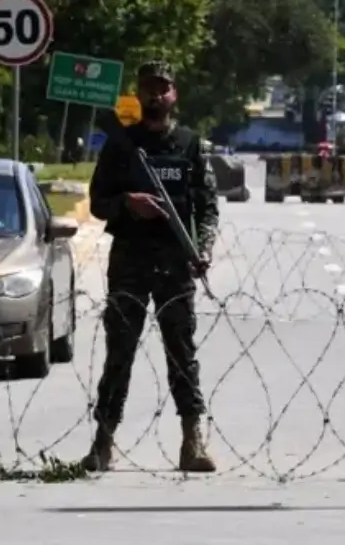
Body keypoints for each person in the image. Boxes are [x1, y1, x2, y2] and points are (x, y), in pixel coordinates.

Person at [81, 61, 221, 473]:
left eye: (163, 88)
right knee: (119, 354)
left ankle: (192, 441)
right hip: (130, 260)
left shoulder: (190, 145)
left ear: (174, 94)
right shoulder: (120, 145)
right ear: (139, 94)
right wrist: (128, 202)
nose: (156, 95)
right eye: (149, 88)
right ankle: (103, 441)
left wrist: (203, 248)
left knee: (182, 353)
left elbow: (207, 206)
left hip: (175, 262)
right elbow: (97, 201)